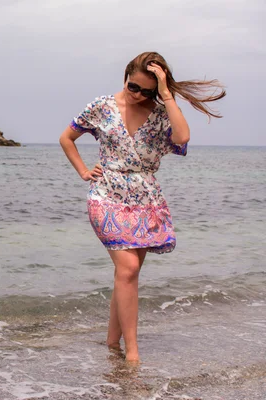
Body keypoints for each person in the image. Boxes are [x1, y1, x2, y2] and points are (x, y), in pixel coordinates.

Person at [59, 51, 226, 363]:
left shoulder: (161, 111)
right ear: (125, 77)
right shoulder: (101, 106)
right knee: (129, 268)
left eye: (147, 91)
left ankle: (111, 343)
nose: (138, 96)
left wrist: (165, 95)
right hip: (105, 195)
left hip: (145, 200)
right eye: (134, 87)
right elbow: (67, 138)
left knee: (127, 276)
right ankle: (132, 354)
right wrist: (83, 171)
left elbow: (183, 136)